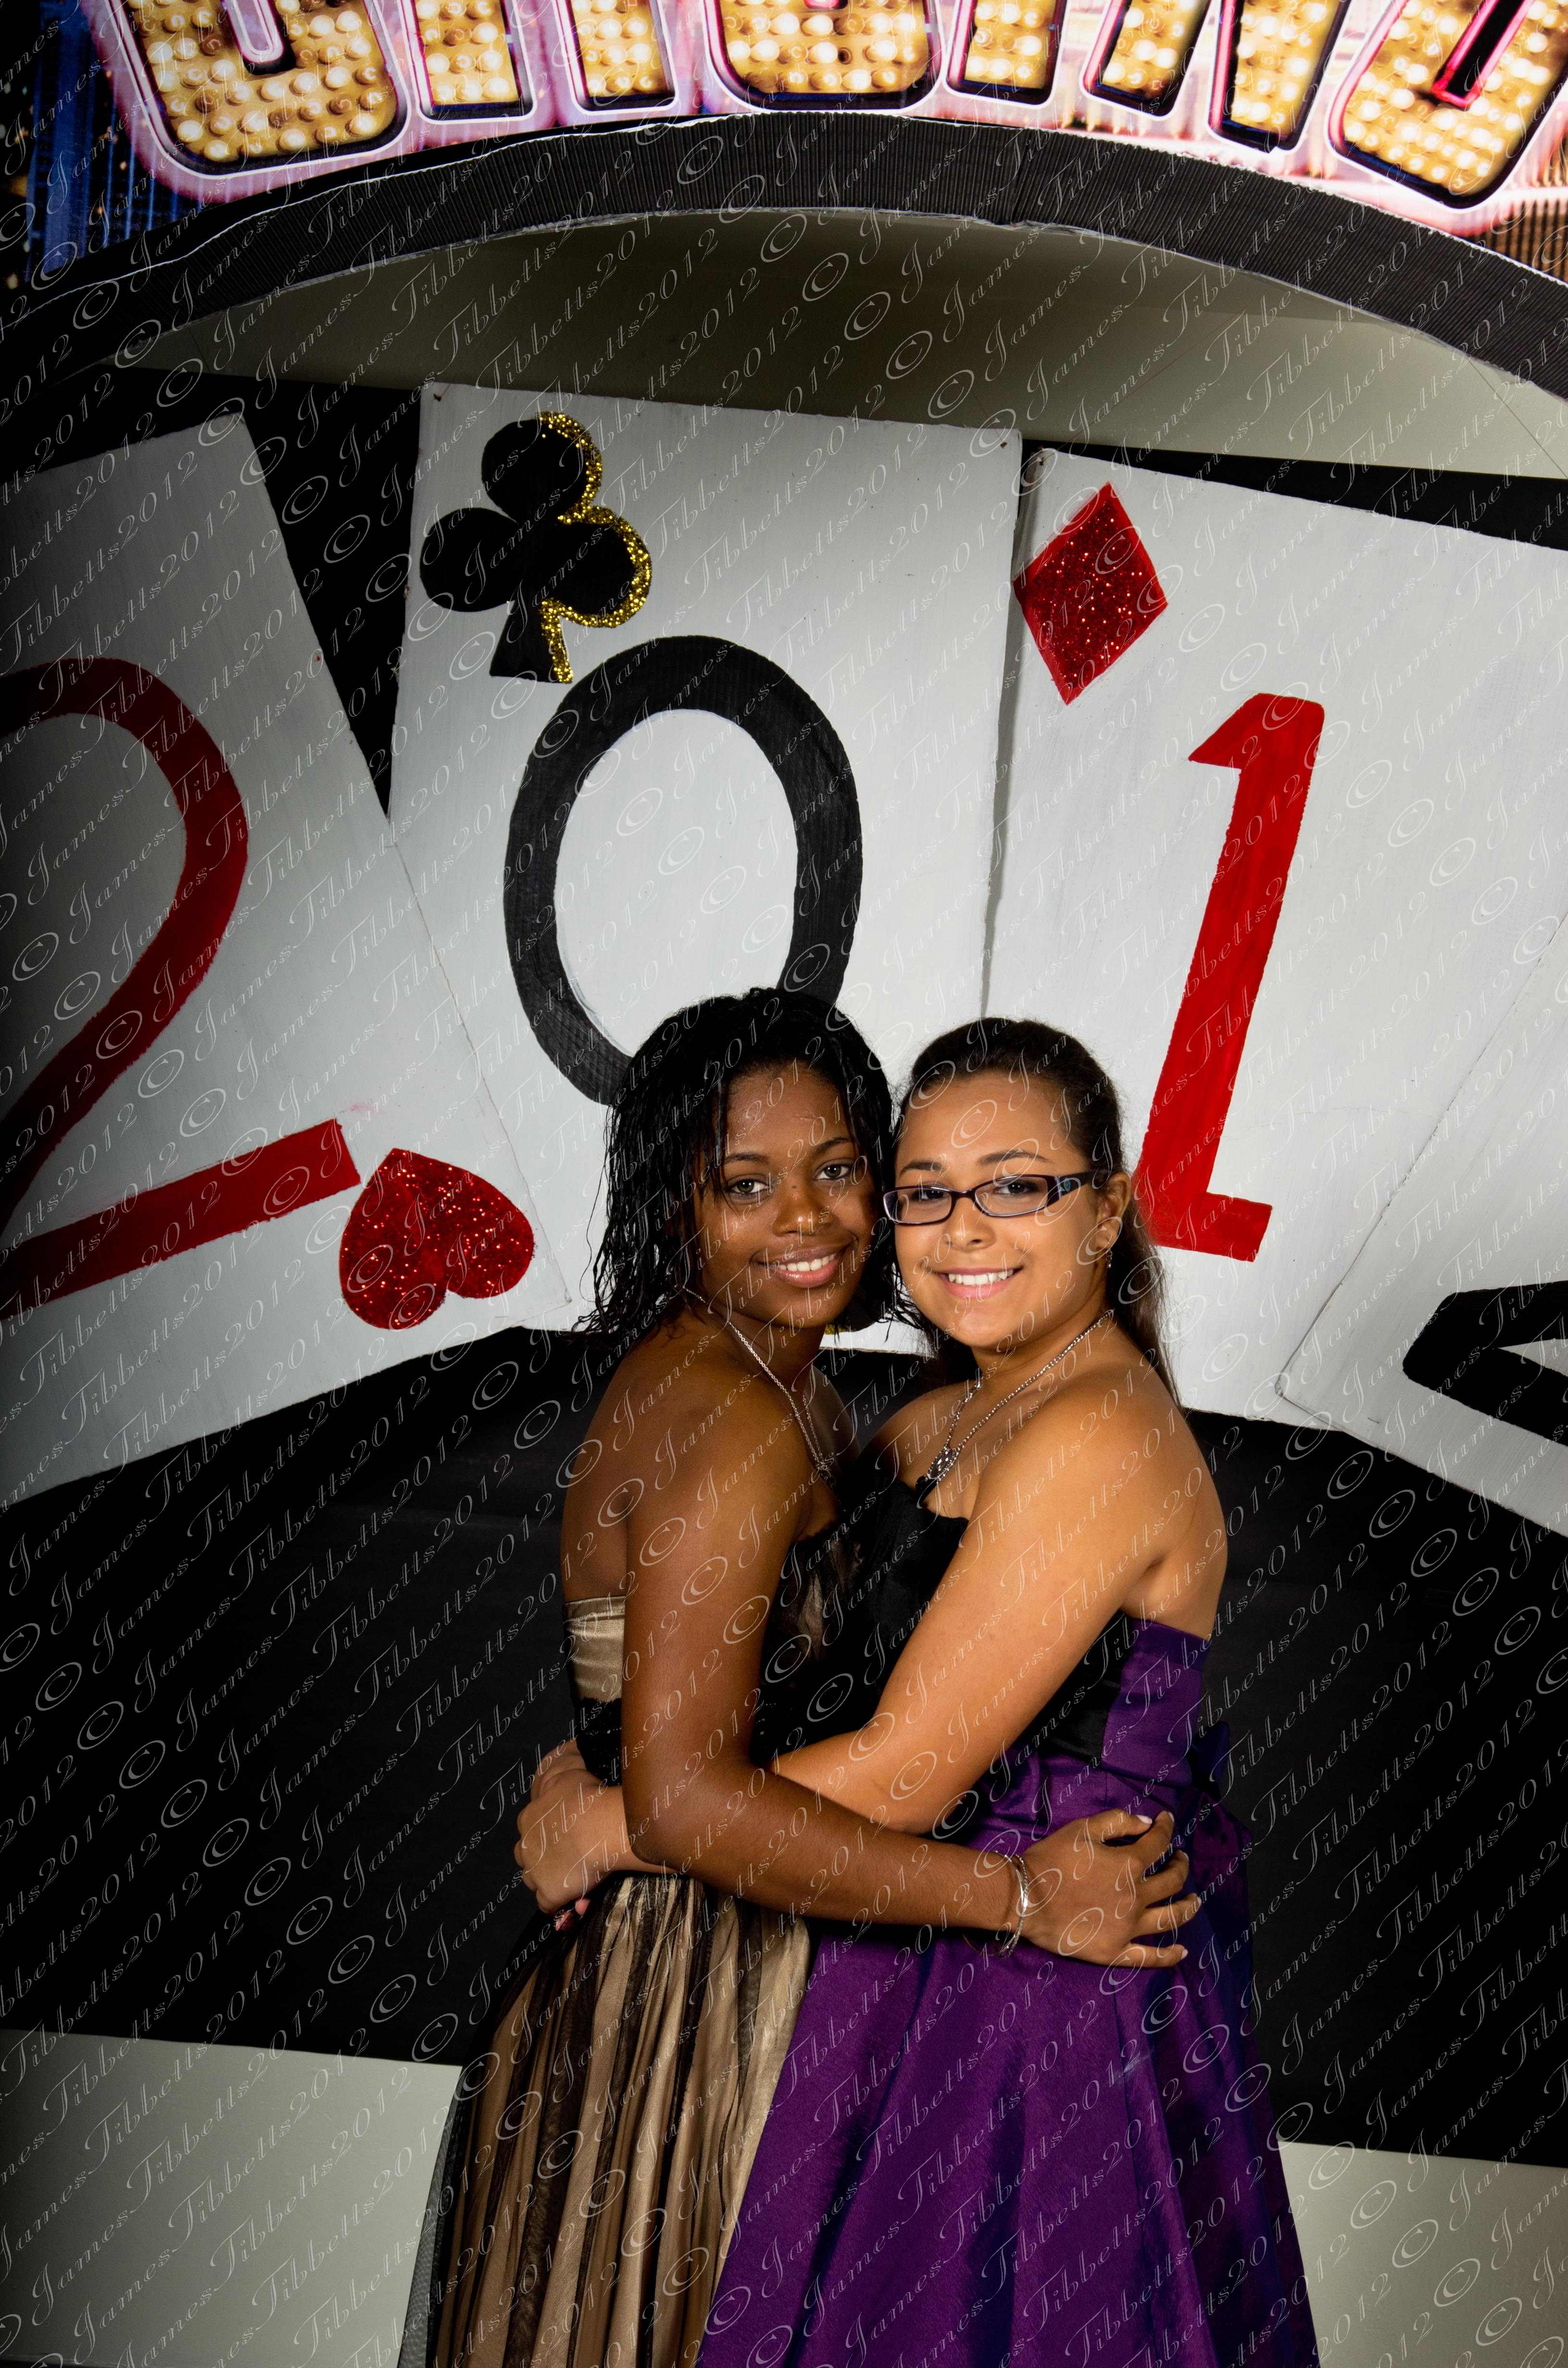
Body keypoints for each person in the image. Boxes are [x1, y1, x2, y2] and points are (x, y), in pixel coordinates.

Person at [406, 991, 1195, 2368]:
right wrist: (1018, 1898)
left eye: (839, 1170)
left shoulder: (839, 1406)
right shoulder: (745, 1419)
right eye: (745, 1185)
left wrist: (611, 1807)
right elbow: (704, 1794)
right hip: (688, 1996)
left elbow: (772, 1754)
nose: (808, 1219)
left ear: (1105, 1208)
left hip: (770, 1970)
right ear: (676, 1210)